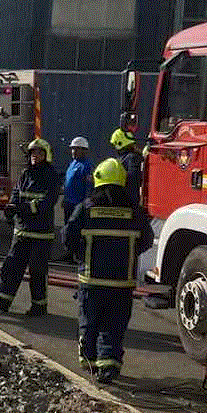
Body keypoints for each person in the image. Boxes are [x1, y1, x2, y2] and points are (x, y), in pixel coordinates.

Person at [63, 157, 154, 384]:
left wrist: (79, 255)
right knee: (114, 326)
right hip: (122, 283)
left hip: (91, 280)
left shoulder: (86, 208)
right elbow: (147, 241)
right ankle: (109, 366)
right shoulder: (136, 212)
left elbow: (68, 236)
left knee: (89, 322)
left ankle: (90, 361)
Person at [0, 138, 60, 317]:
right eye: (33, 153)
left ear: (46, 155)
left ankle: (39, 306)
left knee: (37, 271)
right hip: (22, 231)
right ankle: (2, 300)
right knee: (11, 266)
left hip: (41, 233)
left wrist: (24, 208)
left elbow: (48, 202)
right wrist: (11, 206)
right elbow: (17, 192)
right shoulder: (26, 174)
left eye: (39, 153)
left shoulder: (51, 175)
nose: (35, 156)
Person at [60, 136, 92, 255]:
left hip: (78, 205)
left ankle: (75, 254)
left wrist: (85, 204)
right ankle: (68, 252)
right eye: (73, 149)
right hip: (69, 202)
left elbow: (89, 187)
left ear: (84, 150)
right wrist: (64, 198)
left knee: (75, 230)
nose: (73, 152)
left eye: (77, 149)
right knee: (67, 229)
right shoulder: (72, 164)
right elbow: (69, 182)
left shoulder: (87, 166)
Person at [110, 121, 143, 201]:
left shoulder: (131, 158)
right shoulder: (133, 156)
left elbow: (132, 182)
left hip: (128, 200)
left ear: (119, 143)